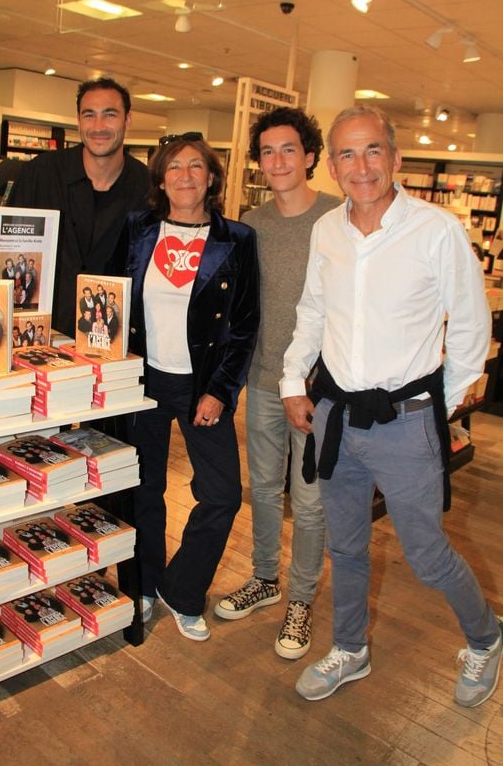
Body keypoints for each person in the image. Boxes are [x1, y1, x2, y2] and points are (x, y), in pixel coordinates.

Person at [280, 105, 502, 707]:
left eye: (373, 150)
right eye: (347, 154)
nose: (362, 166)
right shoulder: (328, 230)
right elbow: (312, 313)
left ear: (396, 157)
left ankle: (486, 638)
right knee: (345, 546)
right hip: (336, 417)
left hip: (407, 422)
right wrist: (292, 381)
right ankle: (350, 648)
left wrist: (442, 404)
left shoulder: (436, 229)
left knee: (427, 554)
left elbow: (470, 330)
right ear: (331, 166)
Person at [121, 133, 259, 641]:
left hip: (201, 386)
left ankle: (180, 590)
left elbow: (243, 326)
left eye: (195, 166)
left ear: (211, 177)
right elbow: (113, 303)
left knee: (222, 495)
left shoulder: (237, 239)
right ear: (160, 178)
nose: (184, 175)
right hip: (141, 380)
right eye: (174, 166)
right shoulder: (137, 229)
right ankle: (143, 580)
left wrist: (220, 392)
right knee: (143, 487)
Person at [214, 107, 341, 660]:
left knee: (310, 504)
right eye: (267, 151)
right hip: (264, 382)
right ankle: (265, 578)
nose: (278, 161)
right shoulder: (250, 225)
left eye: (289, 149)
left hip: (320, 388)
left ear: (310, 155)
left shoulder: (339, 218)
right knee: (263, 489)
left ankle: (302, 600)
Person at [10, 77, 150, 336]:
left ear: (127, 120)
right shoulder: (39, 175)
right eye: (89, 115)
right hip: (41, 334)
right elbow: (6, 249)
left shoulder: (148, 188)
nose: (99, 126)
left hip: (113, 342)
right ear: (78, 120)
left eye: (109, 115)